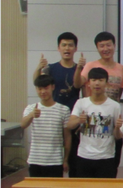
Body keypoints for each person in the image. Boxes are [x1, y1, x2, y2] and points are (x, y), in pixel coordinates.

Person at [74, 31, 123, 169]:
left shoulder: (120, 69)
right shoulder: (90, 66)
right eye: (101, 46)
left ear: (114, 46)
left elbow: (119, 94)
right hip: (92, 123)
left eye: (108, 45)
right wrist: (79, 68)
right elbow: (77, 84)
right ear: (97, 48)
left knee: (111, 164)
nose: (105, 49)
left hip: (111, 121)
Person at [33, 32, 81, 176]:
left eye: (70, 45)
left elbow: (84, 92)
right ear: (58, 48)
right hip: (54, 118)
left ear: (75, 48)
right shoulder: (51, 68)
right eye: (64, 45)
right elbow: (38, 82)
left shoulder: (79, 69)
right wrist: (38, 68)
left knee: (74, 162)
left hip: (73, 120)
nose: (67, 48)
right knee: (54, 162)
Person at [67, 67, 123, 178]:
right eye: (93, 80)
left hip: (106, 157)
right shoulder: (81, 103)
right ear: (88, 83)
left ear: (106, 83)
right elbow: (69, 125)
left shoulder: (115, 106)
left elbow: (118, 136)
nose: (97, 83)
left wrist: (117, 128)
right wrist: (79, 120)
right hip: (84, 156)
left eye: (100, 80)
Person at [21, 75, 71, 177]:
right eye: (39, 89)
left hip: (55, 161)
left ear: (53, 87)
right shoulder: (31, 108)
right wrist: (31, 115)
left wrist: (65, 159)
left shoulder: (64, 109)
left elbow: (67, 137)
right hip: (35, 160)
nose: (43, 92)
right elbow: (23, 125)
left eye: (46, 88)